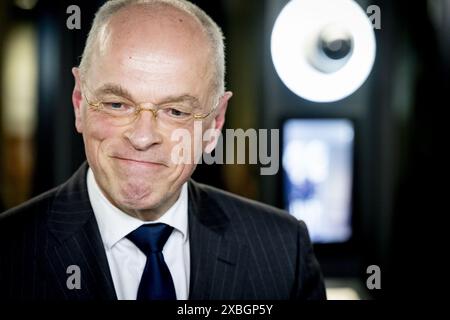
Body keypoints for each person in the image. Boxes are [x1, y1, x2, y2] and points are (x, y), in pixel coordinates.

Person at [0, 0, 326, 300]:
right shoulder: (10, 251)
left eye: (176, 111)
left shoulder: (283, 251)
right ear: (79, 103)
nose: (143, 137)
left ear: (215, 123)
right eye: (117, 104)